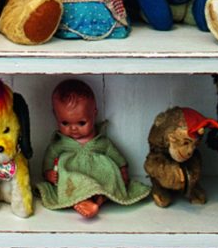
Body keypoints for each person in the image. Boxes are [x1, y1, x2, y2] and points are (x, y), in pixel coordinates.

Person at [36, 78, 151, 218]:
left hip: (99, 176)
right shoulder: (60, 143)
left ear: (94, 113)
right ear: (55, 115)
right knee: (71, 181)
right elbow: (49, 158)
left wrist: (122, 169)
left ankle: (99, 199)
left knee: (109, 179)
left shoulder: (101, 141)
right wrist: (48, 173)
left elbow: (114, 153)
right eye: (65, 123)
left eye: (81, 123)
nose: (73, 128)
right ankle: (84, 201)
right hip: (74, 175)